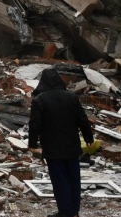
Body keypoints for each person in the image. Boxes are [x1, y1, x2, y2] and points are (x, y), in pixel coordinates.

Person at [29, 69, 94, 217]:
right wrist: (89, 138)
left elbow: (35, 124)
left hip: (53, 147)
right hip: (72, 146)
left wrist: (32, 143)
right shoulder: (71, 97)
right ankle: (74, 211)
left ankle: (66, 212)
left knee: (60, 180)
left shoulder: (40, 100)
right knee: (73, 179)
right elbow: (82, 120)